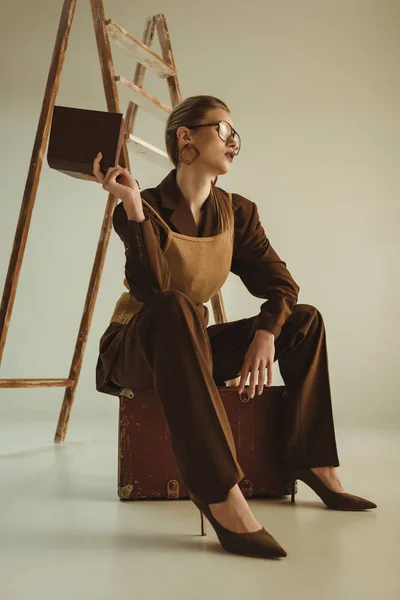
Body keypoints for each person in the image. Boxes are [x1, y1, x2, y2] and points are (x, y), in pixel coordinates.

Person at [92, 95, 377, 560]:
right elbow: (153, 288)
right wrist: (131, 206)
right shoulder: (142, 205)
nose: (234, 143)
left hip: (191, 344)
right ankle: (219, 492)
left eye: (235, 135)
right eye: (223, 131)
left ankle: (313, 459)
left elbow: (283, 285)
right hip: (137, 345)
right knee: (174, 306)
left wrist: (266, 332)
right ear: (186, 136)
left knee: (303, 322)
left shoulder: (237, 213)